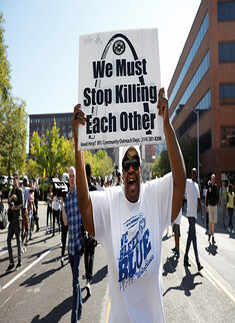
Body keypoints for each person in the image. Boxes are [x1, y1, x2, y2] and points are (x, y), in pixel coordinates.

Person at [72, 88, 186, 323]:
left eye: (135, 163)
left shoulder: (154, 195)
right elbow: (85, 209)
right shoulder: (111, 199)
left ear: (141, 169)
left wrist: (167, 125)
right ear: (122, 172)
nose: (131, 168)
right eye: (127, 164)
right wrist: (78, 145)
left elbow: (180, 181)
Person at [61, 166, 83, 322]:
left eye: (74, 175)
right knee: (76, 280)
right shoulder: (67, 197)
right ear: (67, 179)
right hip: (70, 246)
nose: (72, 178)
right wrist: (62, 205)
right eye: (70, 176)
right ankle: (80, 305)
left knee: (74, 281)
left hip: (79, 244)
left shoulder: (81, 195)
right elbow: (66, 222)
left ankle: (74, 318)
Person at [184, 168, 203, 271]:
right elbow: (180, 178)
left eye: (195, 173)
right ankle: (198, 263)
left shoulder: (196, 186)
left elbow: (199, 200)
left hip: (194, 215)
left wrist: (202, 215)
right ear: (191, 174)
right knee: (194, 239)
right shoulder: (187, 182)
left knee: (190, 238)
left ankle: (185, 258)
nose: (194, 175)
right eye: (193, 173)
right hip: (190, 215)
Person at [82, 163, 97, 297]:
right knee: (91, 252)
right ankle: (89, 279)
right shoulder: (93, 188)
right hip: (93, 225)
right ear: (91, 174)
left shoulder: (82, 189)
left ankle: (87, 276)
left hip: (83, 226)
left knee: (86, 252)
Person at [6, 172, 23, 271]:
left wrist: (15, 207)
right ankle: (11, 261)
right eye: (13, 179)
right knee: (8, 240)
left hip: (17, 219)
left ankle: (19, 261)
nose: (14, 181)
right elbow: (8, 201)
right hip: (11, 220)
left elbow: (22, 204)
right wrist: (11, 198)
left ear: (18, 180)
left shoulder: (20, 191)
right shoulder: (12, 191)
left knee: (18, 241)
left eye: (16, 179)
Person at [206, 174, 219, 244]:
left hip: (215, 206)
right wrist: (206, 206)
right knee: (210, 221)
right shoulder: (209, 185)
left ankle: (210, 234)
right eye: (212, 178)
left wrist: (217, 202)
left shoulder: (216, 186)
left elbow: (217, 195)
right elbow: (207, 196)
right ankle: (212, 236)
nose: (213, 180)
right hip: (210, 205)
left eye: (214, 178)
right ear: (211, 179)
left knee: (213, 222)